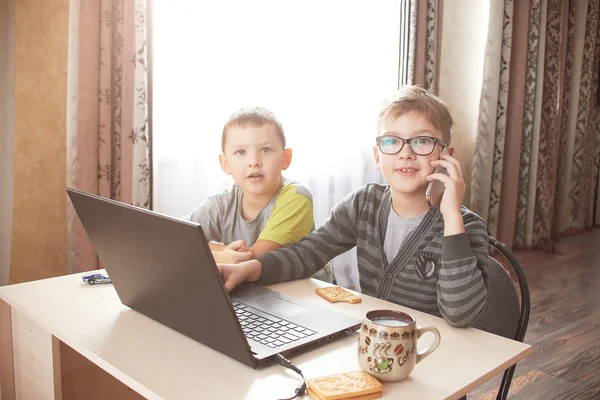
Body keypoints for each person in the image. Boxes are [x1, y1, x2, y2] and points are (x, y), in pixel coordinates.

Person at [215, 86, 488, 328]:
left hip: (436, 356)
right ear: (377, 156)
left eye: (422, 141)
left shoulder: (465, 227)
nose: (406, 152)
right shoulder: (363, 205)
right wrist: (249, 269)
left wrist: (451, 215)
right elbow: (308, 253)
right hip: (375, 347)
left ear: (445, 157)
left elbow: (461, 314)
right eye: (392, 141)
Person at [183, 107, 328, 283]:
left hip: (305, 295)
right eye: (241, 152)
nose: (254, 162)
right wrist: (222, 255)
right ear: (225, 163)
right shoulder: (222, 203)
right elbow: (175, 239)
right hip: (254, 291)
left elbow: (252, 259)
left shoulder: (297, 197)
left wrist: (213, 253)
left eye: (265, 150)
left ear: (285, 158)